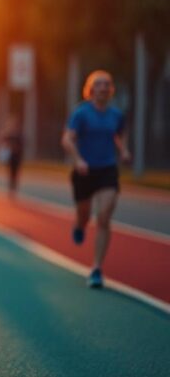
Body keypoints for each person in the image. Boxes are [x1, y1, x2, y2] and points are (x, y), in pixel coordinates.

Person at [61, 70, 130, 289]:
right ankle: (80, 225)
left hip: (107, 170)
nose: (103, 87)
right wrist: (78, 160)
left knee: (103, 217)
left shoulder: (116, 115)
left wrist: (124, 150)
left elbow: (119, 134)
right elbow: (67, 139)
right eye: (98, 84)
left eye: (107, 84)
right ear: (91, 89)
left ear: (111, 90)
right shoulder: (81, 113)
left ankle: (97, 268)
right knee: (84, 215)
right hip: (84, 171)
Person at [0, 114, 24, 197]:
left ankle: (13, 188)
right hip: (11, 156)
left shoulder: (19, 133)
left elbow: (23, 143)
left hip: (17, 156)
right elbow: (3, 140)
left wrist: (17, 147)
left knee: (16, 173)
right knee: (10, 173)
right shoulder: (8, 133)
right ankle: (11, 188)